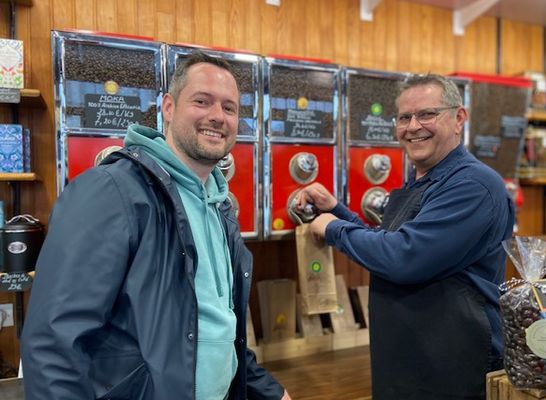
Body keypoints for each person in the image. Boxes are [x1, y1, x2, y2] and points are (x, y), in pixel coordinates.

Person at [21, 52, 291, 400]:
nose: (217, 117)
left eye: (229, 108)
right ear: (167, 107)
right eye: (201, 101)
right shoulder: (111, 190)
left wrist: (268, 391)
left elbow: (219, 331)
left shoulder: (220, 209)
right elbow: (53, 341)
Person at [296, 74, 515, 400]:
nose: (412, 126)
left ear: (458, 119)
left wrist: (332, 228)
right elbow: (388, 243)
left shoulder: (473, 185)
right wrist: (338, 210)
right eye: (404, 117)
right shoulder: (422, 182)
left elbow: (404, 258)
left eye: (427, 114)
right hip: (408, 360)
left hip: (452, 367)